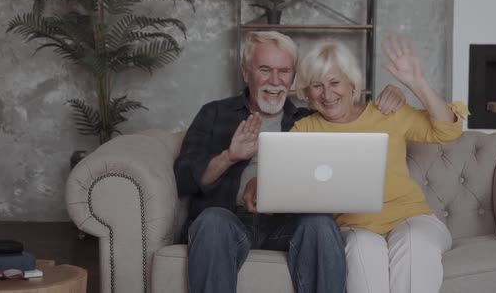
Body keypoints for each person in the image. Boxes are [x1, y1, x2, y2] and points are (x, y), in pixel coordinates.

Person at [173, 31, 407, 293]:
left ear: (293, 77)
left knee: (319, 223)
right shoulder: (214, 113)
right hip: (229, 219)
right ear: (245, 73)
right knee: (211, 220)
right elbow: (183, 179)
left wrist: (391, 97)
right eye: (264, 69)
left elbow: (348, 108)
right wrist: (230, 156)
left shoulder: (309, 119)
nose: (275, 80)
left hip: (288, 226)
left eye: (283, 71)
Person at [289, 35, 470, 293]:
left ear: (352, 84)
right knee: (363, 251)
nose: (327, 94)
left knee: (414, 242)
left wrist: (417, 83)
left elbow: (448, 132)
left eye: (335, 82)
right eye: (316, 86)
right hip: (354, 228)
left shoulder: (387, 112)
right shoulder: (303, 130)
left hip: (412, 218)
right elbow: (290, 186)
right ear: (306, 93)